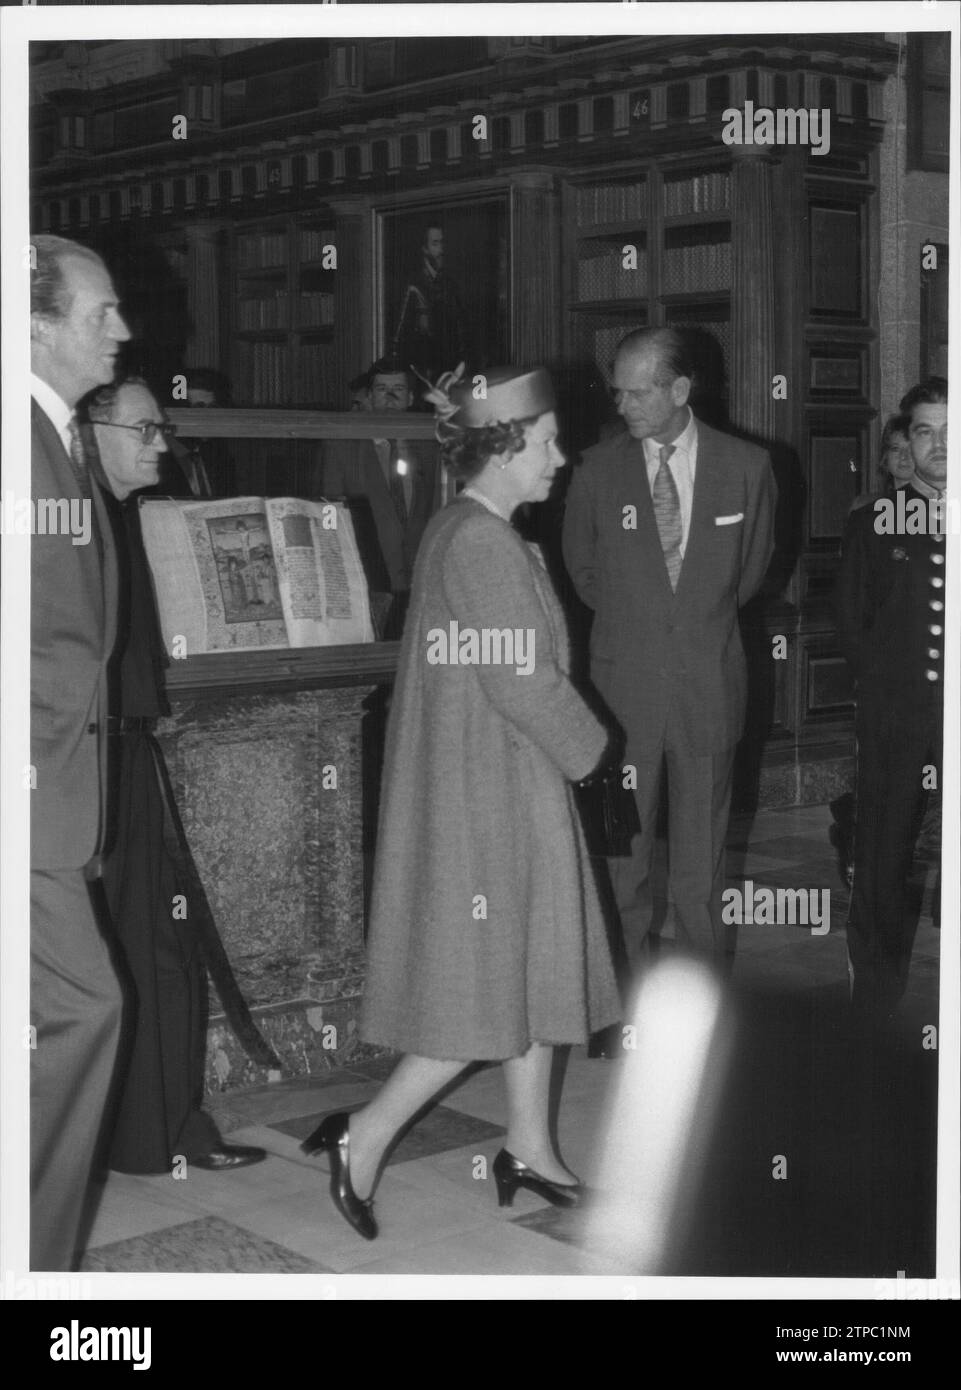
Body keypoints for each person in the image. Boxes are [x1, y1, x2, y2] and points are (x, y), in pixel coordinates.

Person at [301, 367, 621, 1240]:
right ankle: (363, 1139)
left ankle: (529, 1149)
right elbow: (522, 680)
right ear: (508, 445)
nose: (563, 456)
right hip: (494, 795)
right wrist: (594, 756)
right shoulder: (481, 541)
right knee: (475, 992)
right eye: (550, 441)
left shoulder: (468, 527)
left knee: (531, 971)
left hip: (497, 782)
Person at [85, 377, 268, 1174]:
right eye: (144, 427)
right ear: (92, 430)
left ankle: (160, 1131)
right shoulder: (66, 516)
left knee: (159, 945)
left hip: (127, 752)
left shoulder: (117, 514)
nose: (161, 441)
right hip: (80, 767)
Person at [562, 327, 777, 975]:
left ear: (680, 389)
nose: (621, 405)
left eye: (636, 392)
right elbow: (585, 575)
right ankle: (616, 1000)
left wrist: (684, 625)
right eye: (616, 391)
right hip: (622, 695)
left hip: (707, 691)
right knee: (620, 863)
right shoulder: (595, 471)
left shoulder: (746, 468)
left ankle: (698, 1008)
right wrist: (645, 623)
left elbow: (749, 575)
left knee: (699, 872)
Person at [29, 234, 129, 1268]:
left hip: (54, 785)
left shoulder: (55, 435)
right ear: (35, 323)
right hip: (28, 794)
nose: (125, 330)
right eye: (102, 314)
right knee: (84, 1008)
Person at [835, 377, 947, 1022]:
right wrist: (889, 691)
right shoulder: (878, 522)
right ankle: (872, 1006)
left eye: (948, 429)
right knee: (881, 856)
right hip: (898, 718)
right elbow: (851, 621)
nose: (937, 444)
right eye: (924, 430)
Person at [317, 355, 441, 635]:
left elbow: (437, 506)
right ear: (370, 397)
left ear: (410, 398)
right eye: (382, 390)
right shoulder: (342, 447)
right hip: (369, 577)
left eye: (398, 390)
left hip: (421, 576)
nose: (390, 397)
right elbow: (330, 510)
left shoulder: (430, 446)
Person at [391, 223, 470, 377]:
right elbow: (398, 339)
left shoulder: (451, 285)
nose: (441, 250)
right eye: (435, 243)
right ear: (424, 249)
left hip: (449, 373)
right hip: (421, 374)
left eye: (443, 243)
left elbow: (461, 331)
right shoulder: (412, 285)